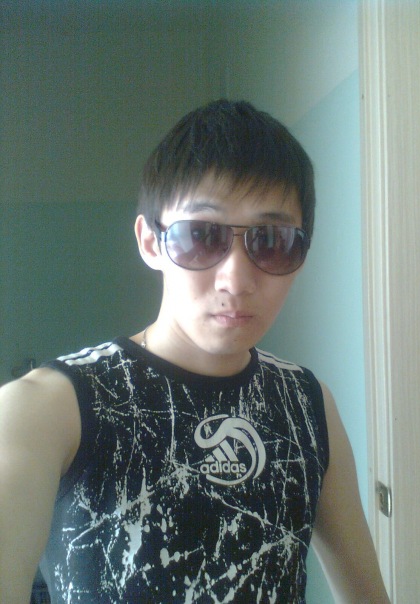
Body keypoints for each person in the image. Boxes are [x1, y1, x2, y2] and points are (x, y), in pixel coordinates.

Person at [0, 100, 389, 603]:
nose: (236, 279)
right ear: (151, 242)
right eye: (202, 236)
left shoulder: (308, 405)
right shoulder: (48, 408)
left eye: (271, 241)